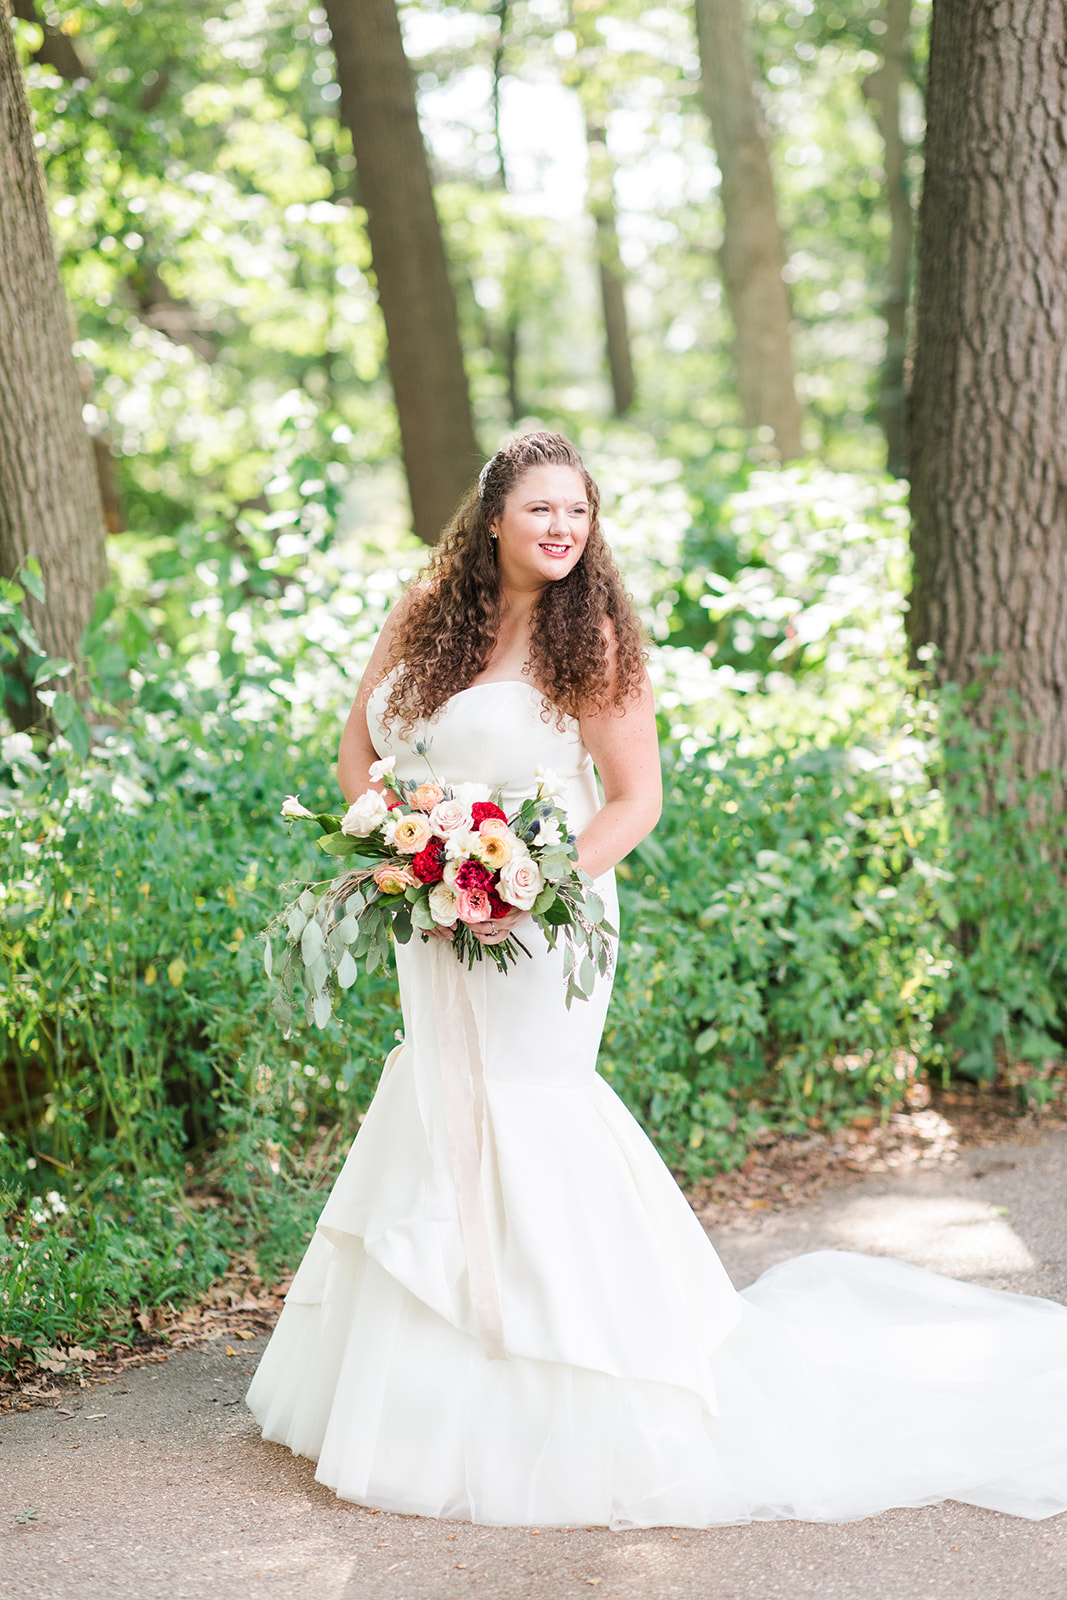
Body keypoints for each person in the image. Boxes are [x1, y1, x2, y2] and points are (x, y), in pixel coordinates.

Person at [248, 432, 1067, 1529]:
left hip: (547, 915)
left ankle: (581, 1371)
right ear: (491, 515)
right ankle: (430, 1381)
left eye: (575, 513)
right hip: (429, 907)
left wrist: (528, 885)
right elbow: (360, 752)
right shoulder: (424, 613)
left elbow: (633, 799)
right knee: (440, 1093)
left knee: (528, 1107)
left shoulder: (592, 641)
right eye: (539, 509)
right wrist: (406, 844)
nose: (559, 529)